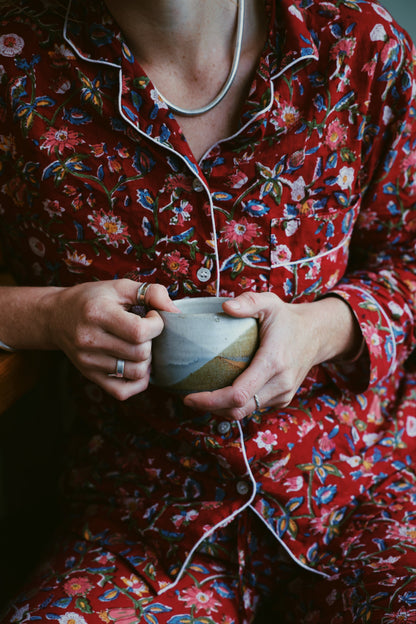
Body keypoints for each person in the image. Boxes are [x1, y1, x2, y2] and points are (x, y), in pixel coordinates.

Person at [0, 0, 415, 621]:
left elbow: (408, 258)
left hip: (365, 487)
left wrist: (321, 330)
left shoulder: (356, 45)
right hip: (141, 522)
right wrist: (52, 316)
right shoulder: (15, 66)